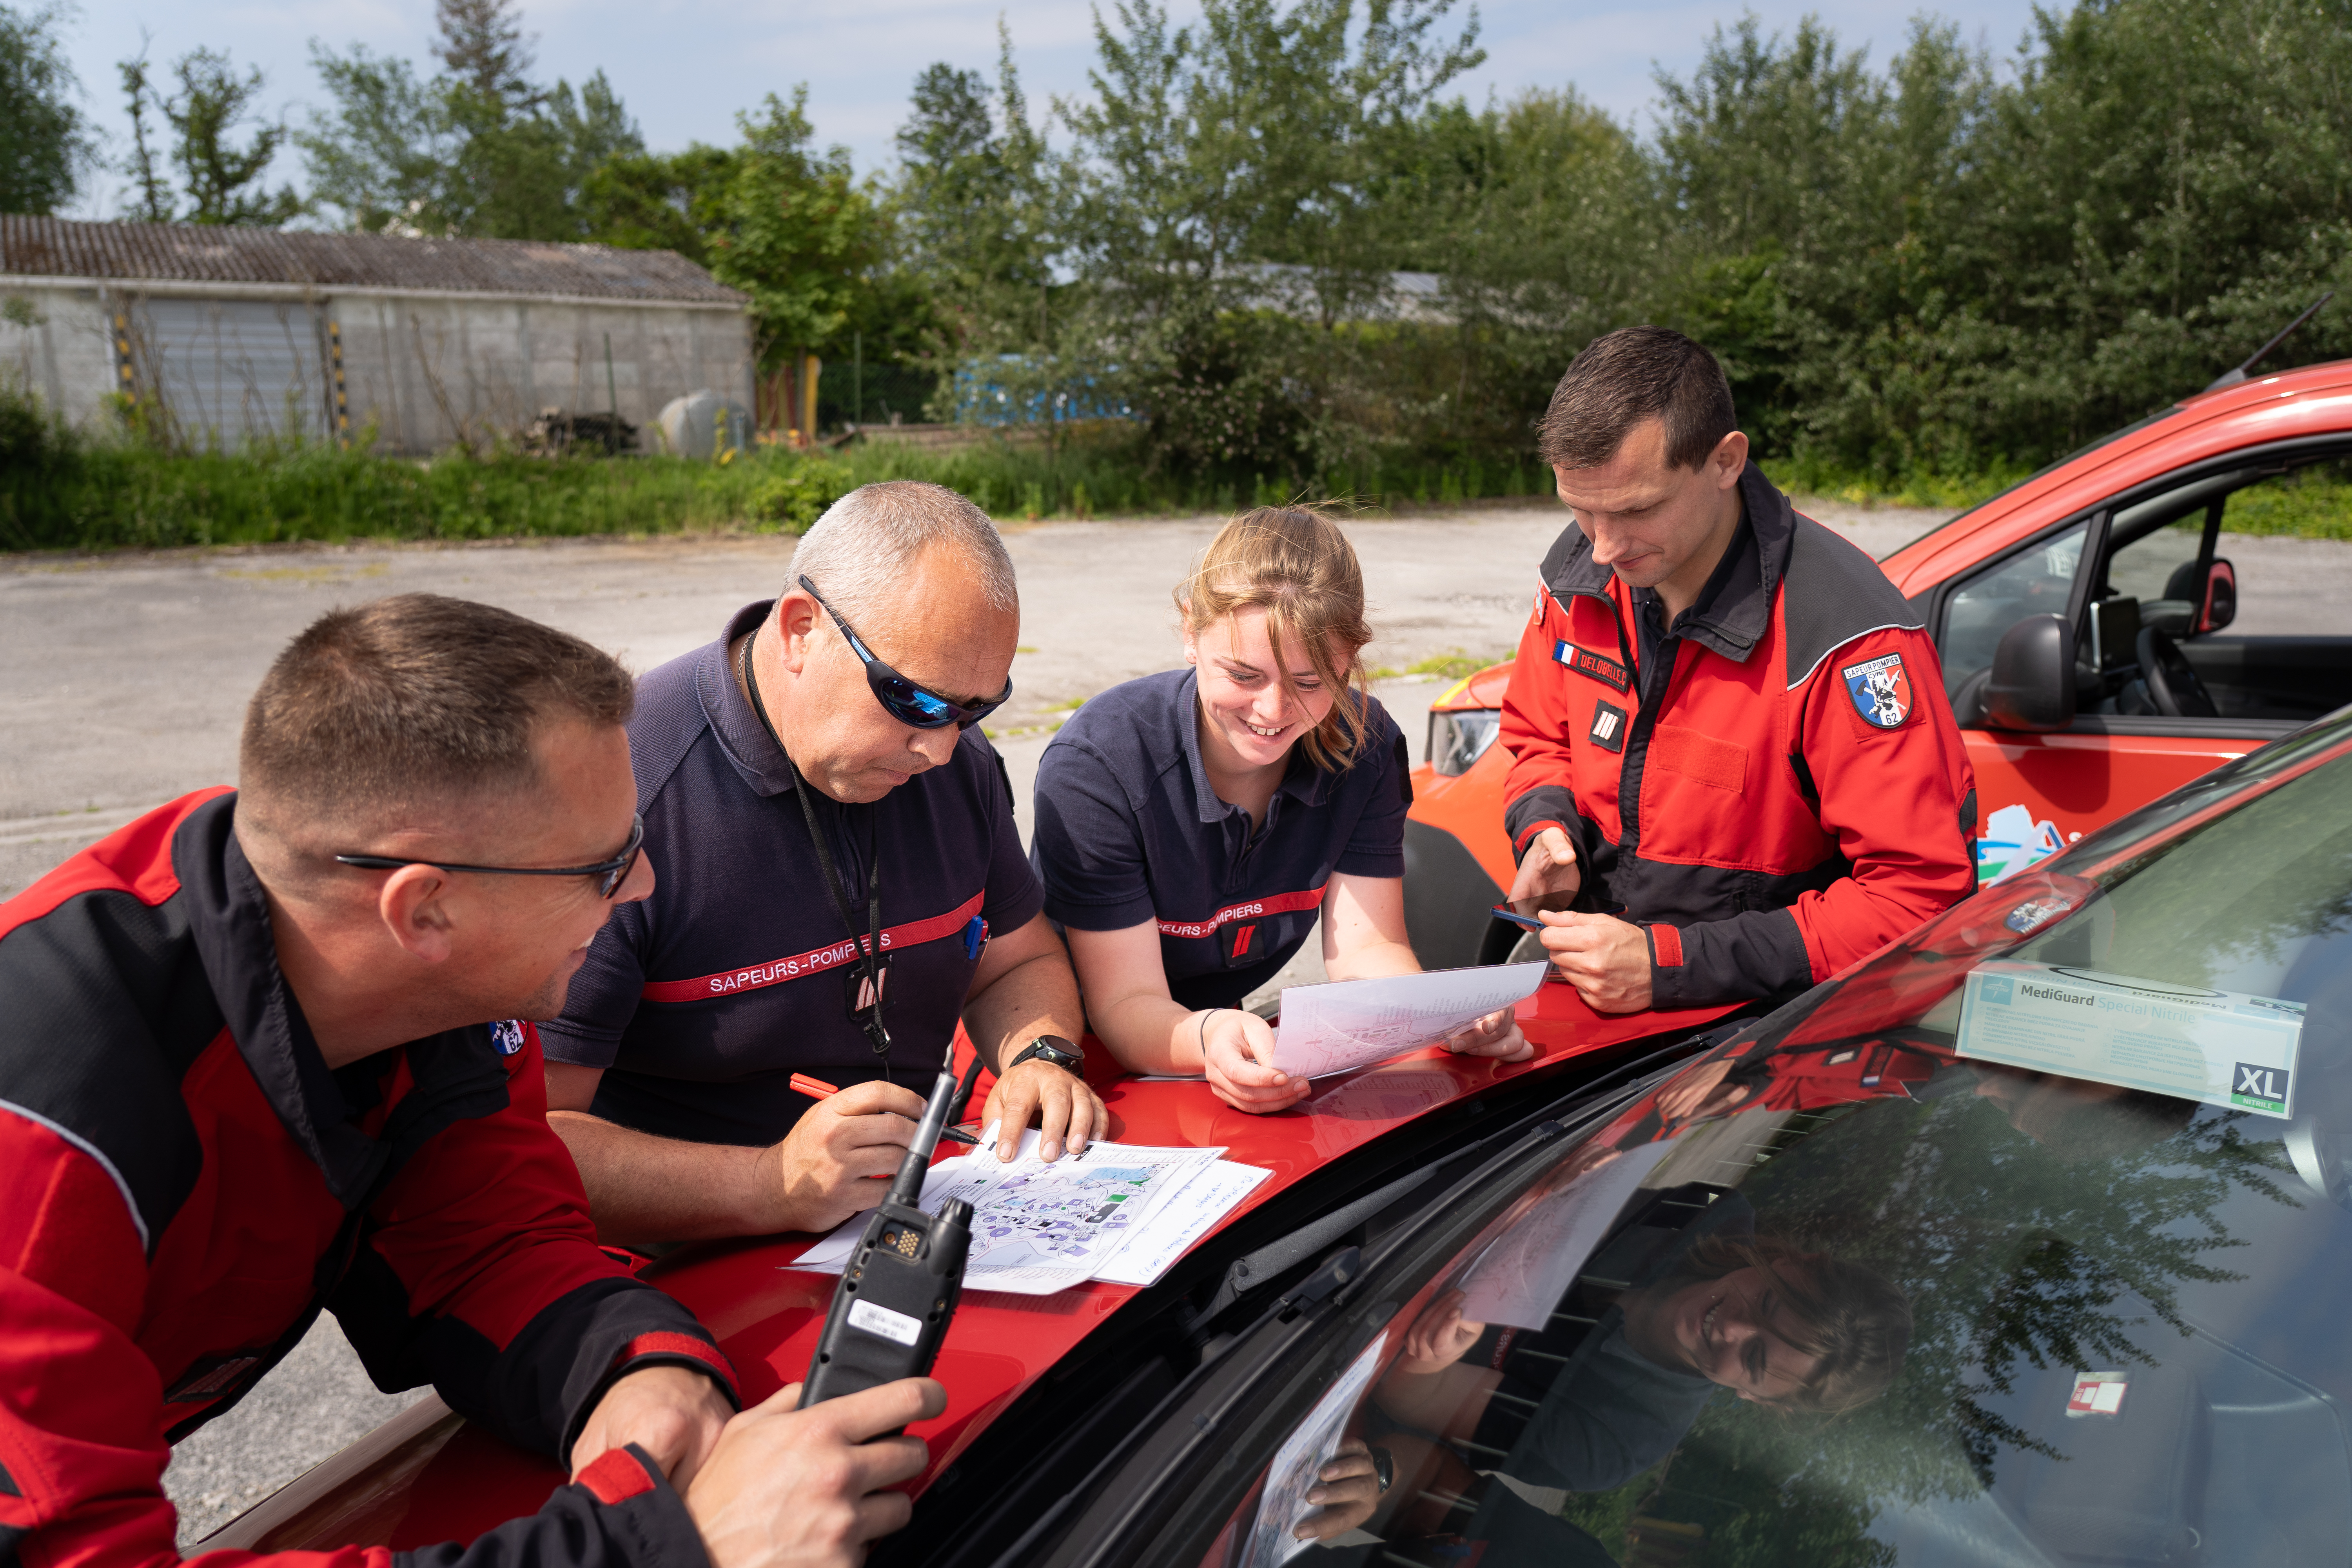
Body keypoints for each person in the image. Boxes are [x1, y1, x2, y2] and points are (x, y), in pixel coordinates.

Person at [0, 594, 937, 1568]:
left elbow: (489, 1243)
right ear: (425, 909)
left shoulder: (416, 980)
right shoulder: (42, 1145)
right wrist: (661, 1549)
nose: (647, 884)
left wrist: (637, 1367)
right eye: (608, 862)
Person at [544, 481, 1102, 1245]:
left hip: (895, 1211)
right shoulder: (626, 793)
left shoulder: (953, 764)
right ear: (802, 630)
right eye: (914, 700)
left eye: (976, 707)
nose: (942, 748)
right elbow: (527, 1138)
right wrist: (765, 1183)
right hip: (674, 1258)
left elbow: (1017, 958)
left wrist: (1037, 1054)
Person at [1501, 326, 1978, 1013]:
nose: (1603, 548)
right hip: (1602, 1010)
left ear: (1726, 461)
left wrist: (1669, 966)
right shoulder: (1579, 574)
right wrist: (1547, 827)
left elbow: (1916, 898)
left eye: (1637, 510)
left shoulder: (1848, 638)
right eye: (1580, 509)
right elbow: (1537, 738)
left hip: (1770, 1039)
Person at [1030, 506, 1528, 1114]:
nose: (1273, 710)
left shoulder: (1364, 746)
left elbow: (1368, 953)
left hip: (1219, 1046)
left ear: (1350, 659)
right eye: (1244, 674)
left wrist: (1438, 1015)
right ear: (1191, 630)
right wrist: (1213, 1037)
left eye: (1312, 682)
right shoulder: (1101, 765)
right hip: (1067, 1058)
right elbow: (1126, 1004)